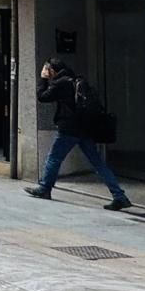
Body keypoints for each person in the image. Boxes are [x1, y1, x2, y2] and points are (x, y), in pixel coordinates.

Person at [25, 58, 132, 211]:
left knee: (54, 158)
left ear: (52, 70)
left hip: (69, 129)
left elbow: (43, 97)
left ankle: (44, 188)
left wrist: (42, 79)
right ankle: (119, 196)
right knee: (98, 163)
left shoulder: (60, 83)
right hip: (85, 128)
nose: (46, 71)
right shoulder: (76, 79)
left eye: (47, 69)